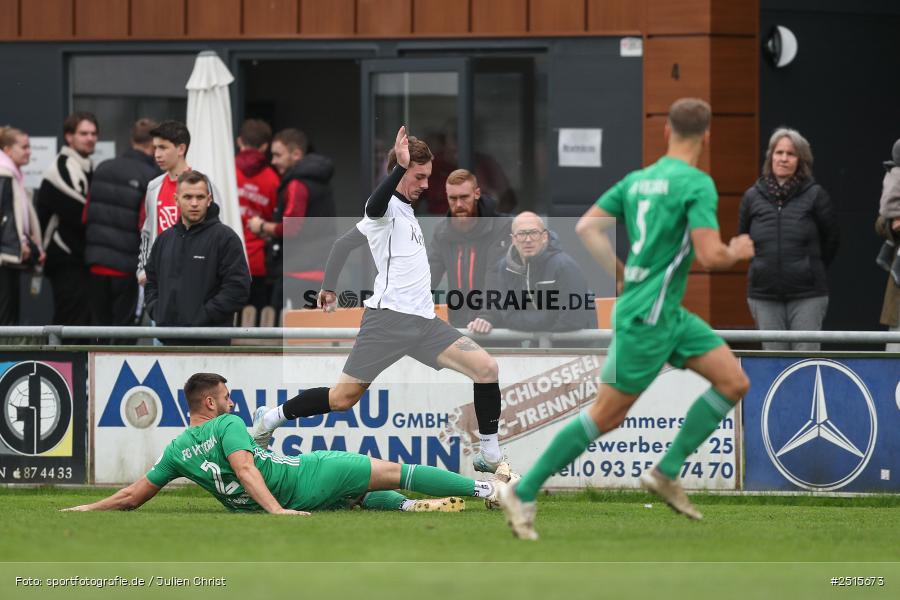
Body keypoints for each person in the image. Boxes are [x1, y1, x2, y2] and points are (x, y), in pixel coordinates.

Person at [499, 98, 755, 540]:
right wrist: (738, 251)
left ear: (665, 133)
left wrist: (622, 275)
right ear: (708, 136)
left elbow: (586, 228)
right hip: (648, 319)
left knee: (733, 380)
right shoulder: (696, 184)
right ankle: (524, 490)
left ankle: (666, 471)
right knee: (604, 416)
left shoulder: (638, 181)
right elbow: (712, 255)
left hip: (665, 313)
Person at [252, 127, 507, 475]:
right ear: (400, 172)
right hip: (388, 322)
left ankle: (490, 455)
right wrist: (400, 169)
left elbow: (342, 244)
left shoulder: (404, 212)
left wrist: (328, 287)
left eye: (427, 177)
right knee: (341, 399)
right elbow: (372, 206)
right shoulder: (385, 208)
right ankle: (269, 418)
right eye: (419, 176)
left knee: (487, 368)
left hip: (425, 323)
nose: (426, 185)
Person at [61, 373, 511, 514]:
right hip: (306, 475)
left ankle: (406, 508)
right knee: (397, 470)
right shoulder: (228, 424)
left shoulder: (176, 450)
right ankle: (491, 490)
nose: (232, 400)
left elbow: (130, 497)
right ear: (212, 402)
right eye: (227, 395)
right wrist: (276, 512)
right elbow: (245, 469)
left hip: (298, 489)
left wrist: (82, 509)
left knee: (352, 497)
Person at [738, 128, 839, 351]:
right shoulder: (752, 197)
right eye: (779, 152)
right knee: (774, 364)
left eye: (790, 154)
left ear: (801, 160)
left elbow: (831, 240)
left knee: (805, 363)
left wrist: (808, 268)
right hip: (764, 295)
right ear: (770, 156)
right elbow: (743, 241)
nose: (783, 158)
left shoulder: (816, 195)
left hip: (808, 295)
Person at [144, 171, 250, 345]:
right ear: (176, 199)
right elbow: (151, 282)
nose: (194, 203)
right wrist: (158, 311)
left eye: (200, 197)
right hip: (167, 341)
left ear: (209, 200)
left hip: (210, 344)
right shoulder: (164, 239)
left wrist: (203, 316)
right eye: (188, 197)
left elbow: (237, 289)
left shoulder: (226, 238)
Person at [84, 118, 160, 336]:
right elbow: (145, 225)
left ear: (132, 139)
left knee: (97, 330)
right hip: (127, 267)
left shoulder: (103, 168)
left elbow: (86, 215)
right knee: (125, 332)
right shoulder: (152, 178)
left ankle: (94, 370)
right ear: (154, 144)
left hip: (96, 263)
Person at [467, 212, 595, 336]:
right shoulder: (504, 268)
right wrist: (550, 315)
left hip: (579, 347)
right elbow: (509, 317)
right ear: (513, 239)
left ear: (545, 237)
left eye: (534, 233)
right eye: (521, 234)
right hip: (539, 343)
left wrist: (535, 325)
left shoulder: (564, 266)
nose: (528, 240)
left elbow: (572, 321)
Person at [248, 128, 335, 309]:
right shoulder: (320, 181)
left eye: (278, 155)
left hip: (297, 275)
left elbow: (291, 228)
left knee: (286, 333)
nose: (273, 161)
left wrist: (262, 226)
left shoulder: (297, 183)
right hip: (320, 271)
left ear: (296, 154)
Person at [428, 168, 511, 328]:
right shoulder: (442, 231)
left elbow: (496, 275)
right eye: (452, 198)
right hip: (459, 326)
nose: (459, 204)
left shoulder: (501, 227)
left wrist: (488, 315)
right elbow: (428, 276)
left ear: (477, 194)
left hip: (497, 326)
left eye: (464, 197)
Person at [36, 111, 97, 327]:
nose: (90, 138)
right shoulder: (62, 168)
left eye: (93, 133)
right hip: (65, 259)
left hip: (79, 261)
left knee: (83, 322)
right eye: (84, 133)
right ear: (69, 137)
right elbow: (80, 214)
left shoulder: (85, 166)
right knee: (71, 322)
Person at [137, 120, 199, 286]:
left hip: (193, 281)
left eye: (163, 148)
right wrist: (143, 269)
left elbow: (217, 233)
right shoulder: (154, 187)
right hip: (161, 281)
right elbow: (147, 233)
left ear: (181, 149)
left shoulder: (202, 186)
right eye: (155, 147)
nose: (156, 154)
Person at [0, 126, 43, 325]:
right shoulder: (4, 175)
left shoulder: (13, 175)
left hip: (10, 257)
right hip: (5, 258)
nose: (29, 151)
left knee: (10, 319)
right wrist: (17, 244)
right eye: (24, 147)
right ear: (7, 150)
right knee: (6, 321)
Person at [235, 118, 279, 311]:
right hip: (257, 262)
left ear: (239, 142)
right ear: (265, 146)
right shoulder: (273, 179)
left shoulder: (226, 171)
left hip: (227, 259)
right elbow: (275, 221)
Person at [876, 139, 900, 352]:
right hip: (899, 299)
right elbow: (880, 223)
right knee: (894, 366)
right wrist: (894, 223)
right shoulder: (895, 177)